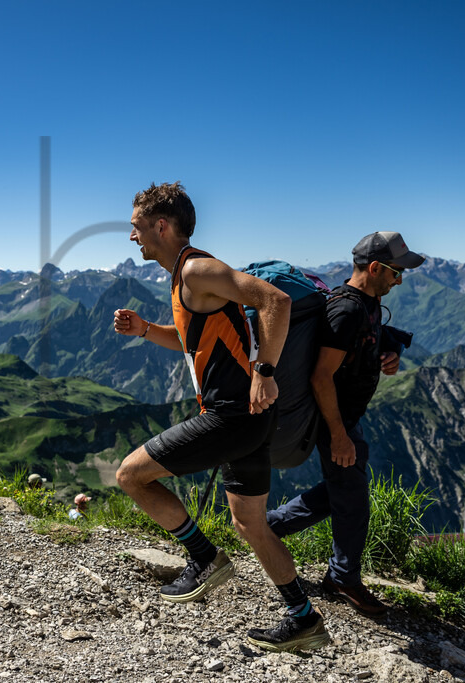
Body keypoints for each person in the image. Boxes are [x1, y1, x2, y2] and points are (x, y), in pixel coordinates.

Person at [113, 182, 328, 654]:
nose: (132, 237)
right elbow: (194, 340)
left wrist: (264, 371)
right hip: (250, 419)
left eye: (136, 227)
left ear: (162, 225)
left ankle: (204, 558)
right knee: (251, 523)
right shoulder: (185, 276)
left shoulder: (196, 269)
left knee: (130, 475)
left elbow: (276, 301)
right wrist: (146, 330)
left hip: (232, 416)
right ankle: (304, 618)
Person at [265, 231, 424, 618]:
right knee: (352, 499)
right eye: (395, 272)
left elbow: (364, 342)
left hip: (346, 417)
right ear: (374, 268)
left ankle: (266, 528)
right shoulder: (347, 309)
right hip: (332, 418)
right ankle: (342, 578)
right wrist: (338, 435)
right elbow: (321, 376)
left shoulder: (367, 304)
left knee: (345, 489)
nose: (399, 280)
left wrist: (389, 352)